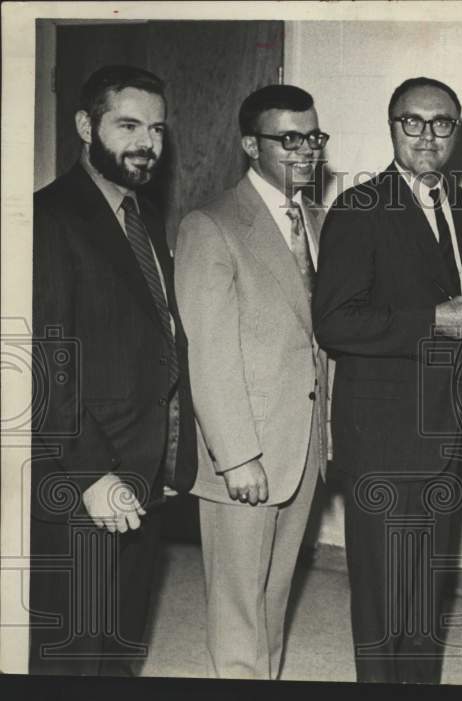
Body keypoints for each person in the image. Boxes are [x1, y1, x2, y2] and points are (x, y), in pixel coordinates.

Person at [312, 77, 462, 684]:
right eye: (411, 121)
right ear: (392, 128)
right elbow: (334, 321)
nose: (427, 135)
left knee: (424, 600)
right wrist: (432, 321)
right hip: (384, 441)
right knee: (383, 605)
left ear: (456, 131)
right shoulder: (358, 209)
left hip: (451, 438)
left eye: (441, 123)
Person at [30, 64, 197, 675]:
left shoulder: (144, 216)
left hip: (143, 467)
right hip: (81, 473)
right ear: (84, 125)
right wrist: (94, 473)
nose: (147, 143)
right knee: (72, 648)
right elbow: (45, 360)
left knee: (122, 641)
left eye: (156, 129)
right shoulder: (47, 218)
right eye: (128, 125)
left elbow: (160, 338)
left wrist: (172, 454)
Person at [173, 84, 329, 679]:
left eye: (313, 137)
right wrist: (237, 456)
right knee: (238, 608)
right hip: (246, 450)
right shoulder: (210, 225)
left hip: (304, 442)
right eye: (289, 139)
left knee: (274, 595)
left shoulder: (315, 218)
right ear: (249, 144)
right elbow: (208, 353)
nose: (306, 150)